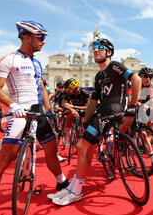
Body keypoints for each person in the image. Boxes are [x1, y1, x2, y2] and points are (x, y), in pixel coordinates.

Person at [0, 21, 69, 215]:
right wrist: (12, 105)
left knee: (51, 150)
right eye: (40, 37)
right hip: (20, 111)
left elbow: (42, 90)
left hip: (39, 112)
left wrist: (49, 112)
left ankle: (61, 181)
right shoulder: (9, 59)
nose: (44, 41)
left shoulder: (38, 63)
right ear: (26, 37)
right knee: (4, 159)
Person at [49, 38, 142, 206]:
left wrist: (133, 106)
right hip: (101, 114)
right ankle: (73, 186)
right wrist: (85, 120)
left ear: (109, 52)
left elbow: (136, 79)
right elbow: (93, 100)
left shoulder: (115, 65)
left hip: (113, 114)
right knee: (82, 147)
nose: (96, 50)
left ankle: (76, 191)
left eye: (101, 48)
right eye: (95, 48)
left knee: (83, 147)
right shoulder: (99, 75)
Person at [61, 78, 90, 146]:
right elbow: (64, 104)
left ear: (75, 89)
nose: (67, 91)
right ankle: (68, 136)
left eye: (68, 89)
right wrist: (73, 110)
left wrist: (74, 107)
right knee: (69, 114)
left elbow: (88, 107)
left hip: (83, 108)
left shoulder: (84, 92)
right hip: (73, 109)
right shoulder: (67, 93)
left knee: (88, 118)